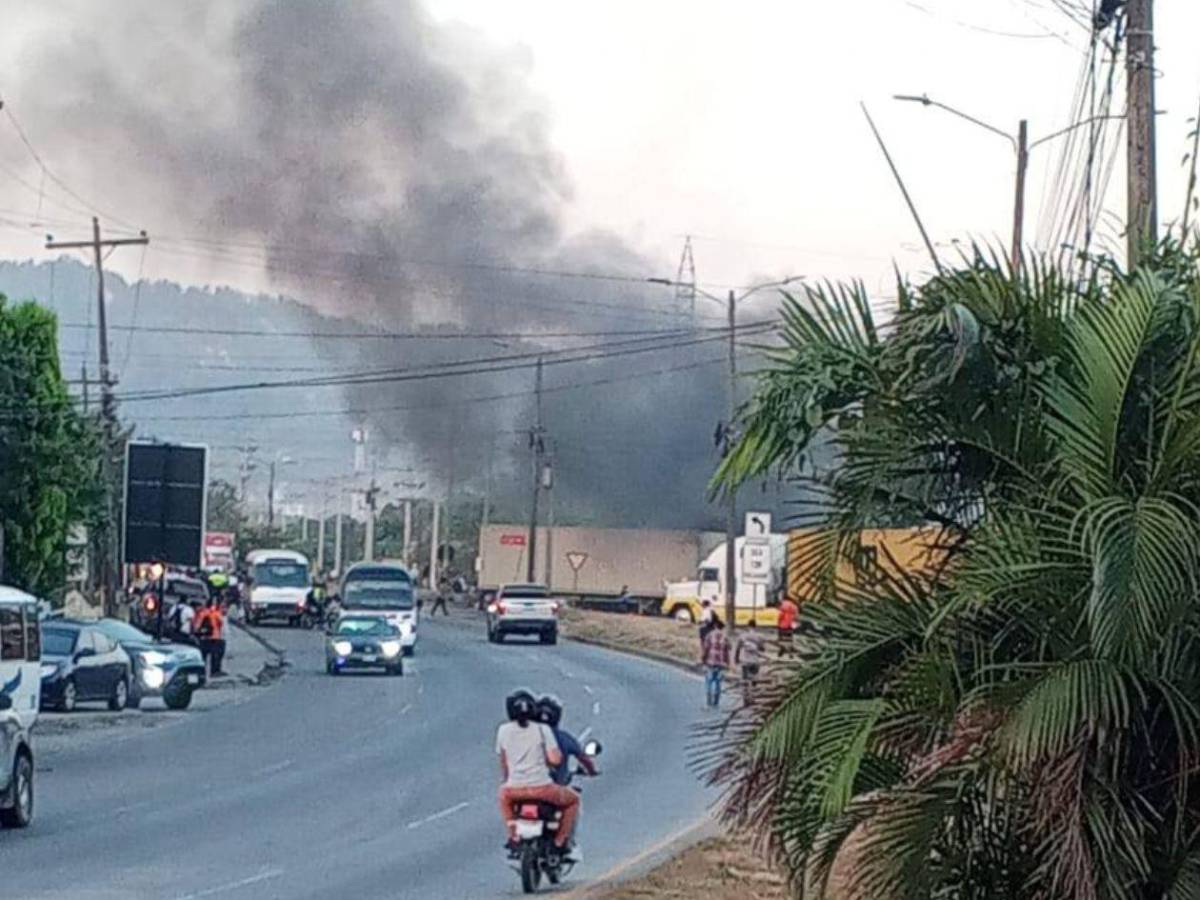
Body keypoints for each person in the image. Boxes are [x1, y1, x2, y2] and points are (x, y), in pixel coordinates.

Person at [496, 689, 579, 856]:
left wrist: (510, 779)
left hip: (514, 790)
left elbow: (504, 763)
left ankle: (514, 835)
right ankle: (560, 841)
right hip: (542, 788)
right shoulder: (542, 730)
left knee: (502, 796)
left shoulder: (503, 731)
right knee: (573, 801)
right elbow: (555, 759)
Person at [536, 695, 598, 786]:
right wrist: (592, 771)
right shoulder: (564, 738)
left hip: (525, 787)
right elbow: (584, 759)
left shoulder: (524, 736)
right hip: (555, 788)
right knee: (574, 798)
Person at [700, 615, 731, 708]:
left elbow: (705, 648)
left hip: (710, 662)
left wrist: (703, 659)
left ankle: (709, 701)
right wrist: (727, 663)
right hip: (721, 663)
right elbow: (728, 649)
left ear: (714, 625)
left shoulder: (709, 635)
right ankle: (716, 701)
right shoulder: (725, 637)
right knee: (718, 682)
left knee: (709, 682)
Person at [734, 623, 767, 705]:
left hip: (745, 661)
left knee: (745, 680)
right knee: (754, 680)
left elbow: (737, 649)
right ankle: (753, 697)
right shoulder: (760, 637)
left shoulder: (742, 636)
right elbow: (763, 649)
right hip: (755, 661)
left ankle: (746, 698)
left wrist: (736, 659)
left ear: (748, 627)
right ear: (755, 627)